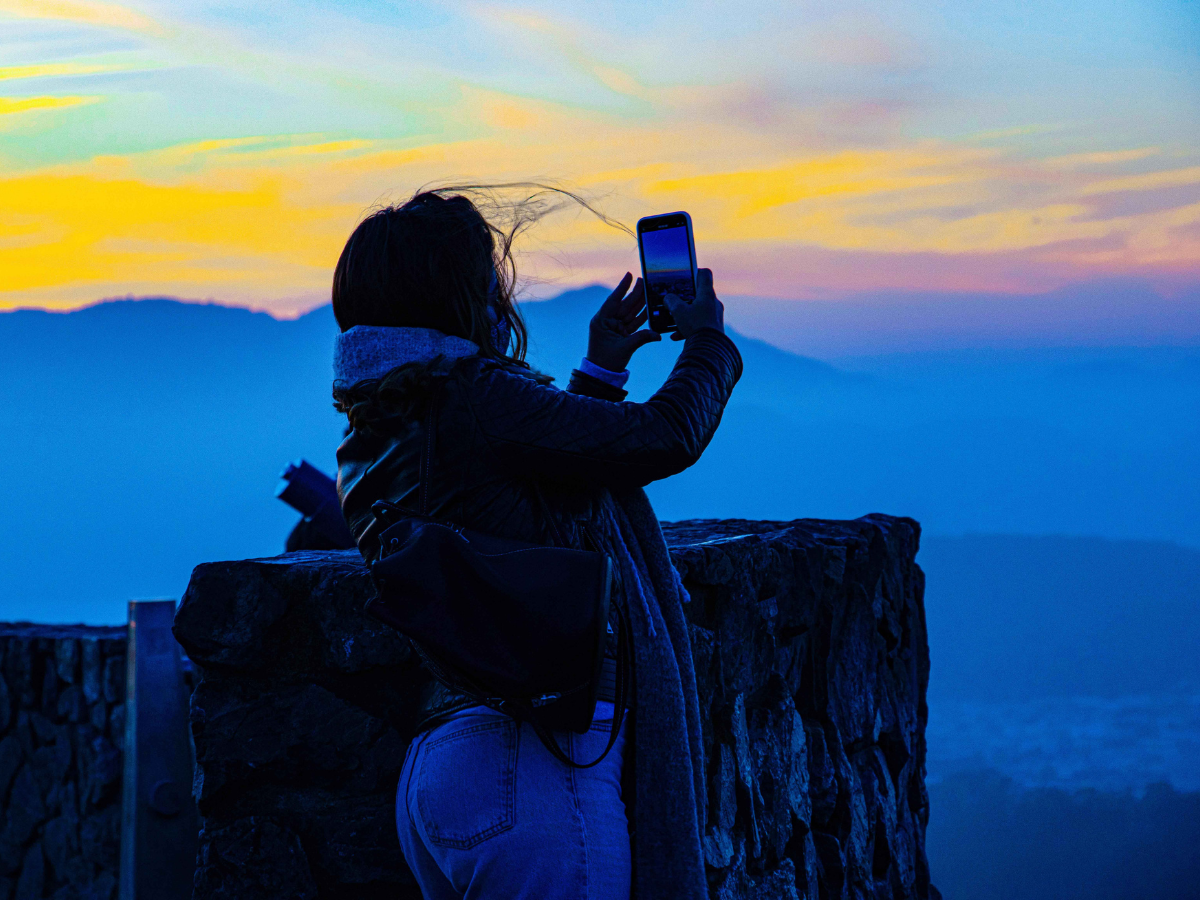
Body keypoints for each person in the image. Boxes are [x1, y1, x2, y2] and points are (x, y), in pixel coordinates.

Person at [330, 187, 742, 900]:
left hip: (446, 767)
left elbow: (529, 489)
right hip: (534, 773)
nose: (501, 289)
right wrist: (709, 343)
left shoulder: (388, 413)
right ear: (459, 290)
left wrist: (602, 370)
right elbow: (660, 438)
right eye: (489, 273)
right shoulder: (473, 393)